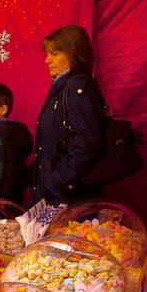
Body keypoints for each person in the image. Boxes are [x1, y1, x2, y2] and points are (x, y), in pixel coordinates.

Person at [32, 25, 105, 205]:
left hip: (68, 199)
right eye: (47, 54)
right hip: (54, 195)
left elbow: (87, 146)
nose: (47, 60)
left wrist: (56, 181)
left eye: (54, 54)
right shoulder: (61, 89)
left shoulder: (77, 88)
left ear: (73, 53)